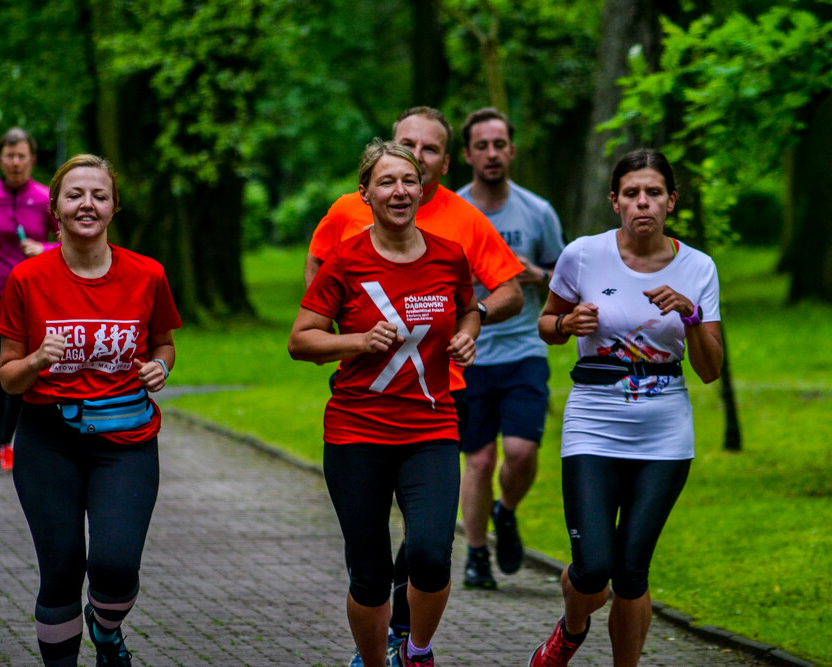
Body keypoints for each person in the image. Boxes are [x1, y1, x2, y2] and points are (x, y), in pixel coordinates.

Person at [306, 106, 523, 664]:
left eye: (410, 179)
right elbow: (301, 338)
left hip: (430, 422)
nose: (402, 188)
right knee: (371, 569)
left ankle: (417, 651)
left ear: (427, 184)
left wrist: (470, 332)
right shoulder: (344, 260)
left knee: (429, 553)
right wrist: (355, 341)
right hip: (356, 430)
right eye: (388, 181)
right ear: (366, 193)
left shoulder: (450, 254)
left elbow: (471, 306)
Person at [529, 149, 724, 667]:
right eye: (633, 193)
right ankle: (570, 630)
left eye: (655, 193)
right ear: (615, 201)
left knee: (632, 571)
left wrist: (691, 313)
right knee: (593, 567)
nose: (644, 202)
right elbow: (547, 324)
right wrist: (566, 326)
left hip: (664, 432)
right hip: (593, 424)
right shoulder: (582, 255)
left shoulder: (698, 267)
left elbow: (709, 369)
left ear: (671, 201)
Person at [0, 154, 181, 667]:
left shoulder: (147, 275)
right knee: (61, 568)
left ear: (114, 206)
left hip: (126, 438)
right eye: (74, 194)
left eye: (99, 194)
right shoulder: (27, 279)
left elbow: (163, 343)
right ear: (54, 208)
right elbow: (9, 376)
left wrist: (160, 368)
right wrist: (35, 359)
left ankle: (106, 626)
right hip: (47, 438)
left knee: (115, 566)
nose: (87, 204)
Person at [455, 107, 565, 588]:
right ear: (467, 155)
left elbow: (566, 278)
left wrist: (535, 274)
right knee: (478, 459)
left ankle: (507, 509)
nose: (492, 153)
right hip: (470, 351)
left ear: (512, 151)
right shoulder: (453, 212)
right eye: (482, 145)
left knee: (520, 452)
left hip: (523, 349)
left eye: (500, 144)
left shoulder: (537, 211)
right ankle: (476, 554)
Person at [0, 128, 59, 472]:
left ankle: (9, 444)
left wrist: (43, 249)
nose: (16, 162)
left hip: (32, 297)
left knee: (24, 369)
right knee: (0, 367)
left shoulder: (46, 197)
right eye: (9, 156)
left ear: (32, 159)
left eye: (22, 156)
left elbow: (68, 238)